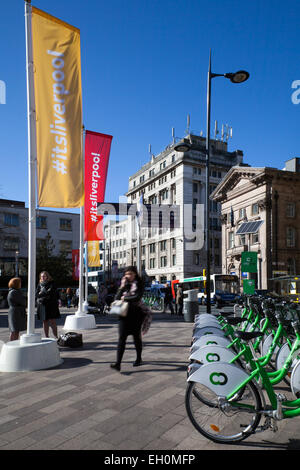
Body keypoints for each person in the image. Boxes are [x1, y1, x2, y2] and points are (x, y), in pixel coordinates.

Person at [110, 266, 145, 372]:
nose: (128, 276)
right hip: (123, 315)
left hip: (136, 315)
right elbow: (116, 298)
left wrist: (125, 298)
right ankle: (118, 363)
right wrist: (121, 287)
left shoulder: (139, 283)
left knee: (136, 338)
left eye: (130, 273)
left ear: (135, 274)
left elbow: (137, 297)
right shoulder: (124, 285)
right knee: (121, 338)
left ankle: (139, 358)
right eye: (126, 274)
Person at [36, 271, 61, 339]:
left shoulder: (52, 283)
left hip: (51, 305)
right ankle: (46, 336)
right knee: (45, 321)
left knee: (52, 321)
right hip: (42, 305)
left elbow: (51, 293)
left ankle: (56, 336)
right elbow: (36, 295)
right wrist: (43, 293)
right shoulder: (39, 284)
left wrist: (41, 293)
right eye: (41, 276)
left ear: (47, 276)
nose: (43, 277)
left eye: (44, 276)